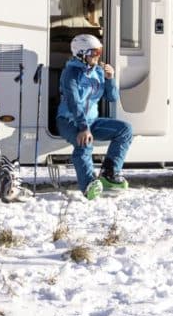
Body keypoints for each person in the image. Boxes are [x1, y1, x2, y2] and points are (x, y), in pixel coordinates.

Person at [56, 34, 133, 199]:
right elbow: (73, 102)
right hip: (68, 120)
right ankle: (88, 185)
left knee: (125, 130)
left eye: (99, 51)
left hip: (91, 121)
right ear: (81, 54)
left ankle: (109, 174)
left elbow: (112, 97)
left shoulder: (98, 71)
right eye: (94, 52)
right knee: (85, 142)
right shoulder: (71, 73)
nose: (97, 56)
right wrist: (83, 128)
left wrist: (110, 79)